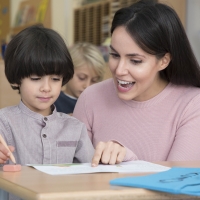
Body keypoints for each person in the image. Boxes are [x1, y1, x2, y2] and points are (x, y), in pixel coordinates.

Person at [73, 0, 200, 166]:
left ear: (164, 61)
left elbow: (177, 182)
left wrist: (128, 159)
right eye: (115, 55)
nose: (119, 70)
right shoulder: (90, 98)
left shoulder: (192, 104)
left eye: (135, 60)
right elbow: (72, 175)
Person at [54, 42, 106, 114]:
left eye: (94, 80)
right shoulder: (53, 101)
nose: (87, 86)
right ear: (67, 71)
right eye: (82, 78)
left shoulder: (98, 103)